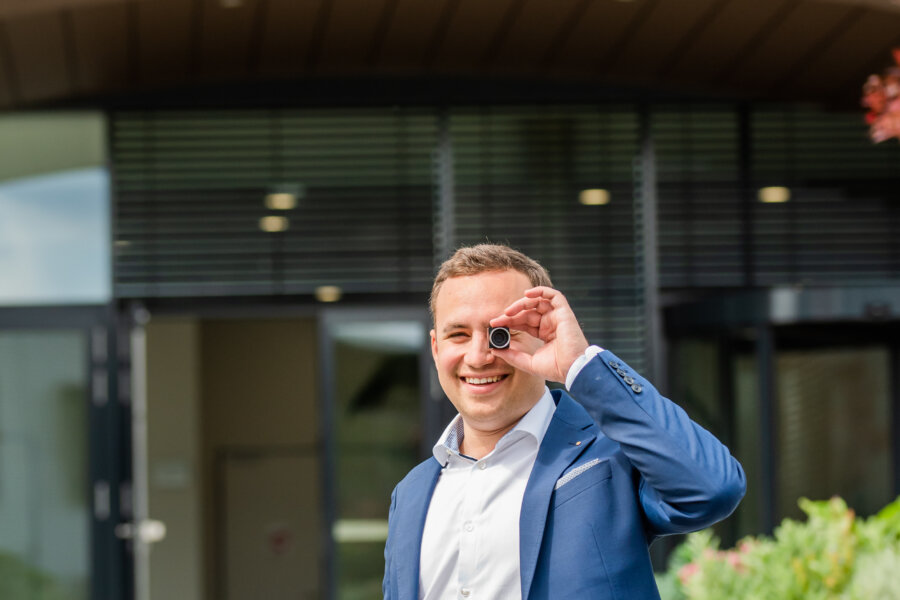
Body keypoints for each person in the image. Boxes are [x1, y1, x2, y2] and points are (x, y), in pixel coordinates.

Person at [383, 244, 745, 600]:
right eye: (458, 335)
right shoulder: (410, 493)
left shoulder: (611, 456)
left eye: (500, 334)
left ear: (542, 336)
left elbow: (712, 489)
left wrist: (580, 365)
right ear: (435, 347)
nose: (478, 357)